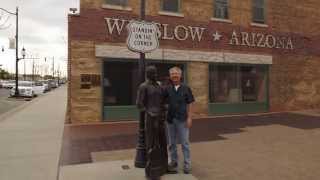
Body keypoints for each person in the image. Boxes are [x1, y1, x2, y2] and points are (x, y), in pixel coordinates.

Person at [136, 66, 168, 180]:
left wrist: (165, 108)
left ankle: (163, 167)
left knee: (163, 142)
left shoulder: (159, 86)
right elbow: (139, 104)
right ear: (148, 74)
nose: (155, 75)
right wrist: (149, 112)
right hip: (150, 119)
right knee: (152, 144)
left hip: (160, 118)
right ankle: (152, 170)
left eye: (155, 73)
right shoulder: (143, 86)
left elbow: (163, 100)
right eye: (152, 73)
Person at [164, 66, 195, 174]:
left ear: (180, 75)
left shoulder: (186, 88)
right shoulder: (167, 88)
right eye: (172, 74)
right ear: (170, 76)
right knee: (172, 143)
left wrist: (190, 118)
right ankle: (173, 162)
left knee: (184, 143)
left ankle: (187, 164)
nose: (174, 75)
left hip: (182, 120)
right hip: (170, 120)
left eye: (176, 73)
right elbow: (162, 101)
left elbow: (190, 103)